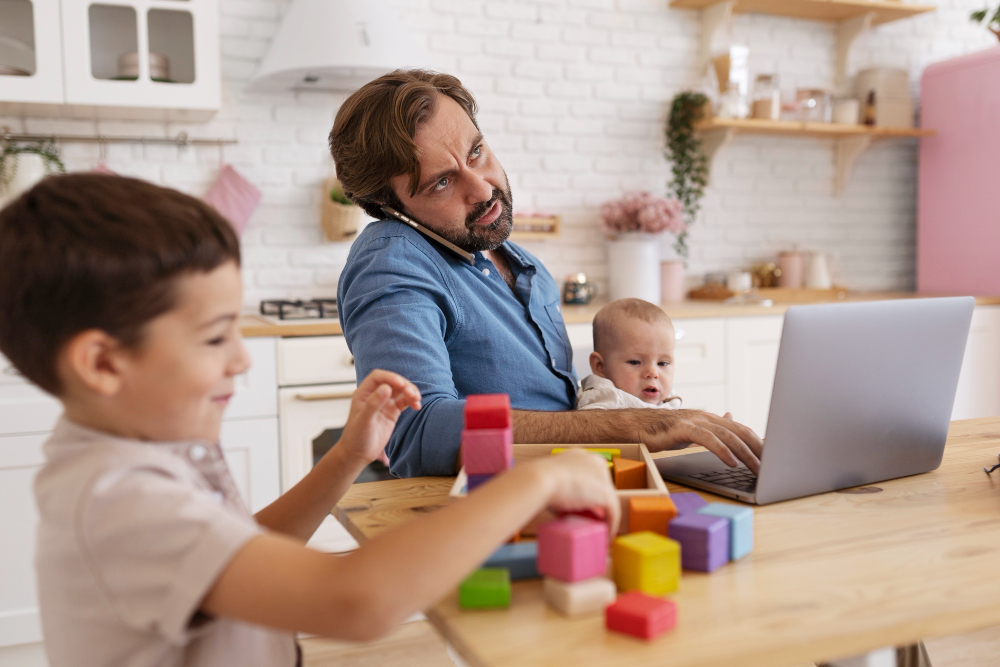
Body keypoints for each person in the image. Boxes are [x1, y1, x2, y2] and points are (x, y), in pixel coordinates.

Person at [0, 174, 620, 667]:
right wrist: (535, 482)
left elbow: (247, 544)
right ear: (103, 365)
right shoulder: (120, 502)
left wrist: (347, 456)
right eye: (216, 338)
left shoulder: (135, 453)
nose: (241, 356)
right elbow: (355, 603)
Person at [330, 69, 763, 478]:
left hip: (571, 486)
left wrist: (656, 418)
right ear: (392, 209)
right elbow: (418, 432)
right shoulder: (391, 259)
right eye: (442, 182)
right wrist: (633, 427)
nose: (482, 188)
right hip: (486, 515)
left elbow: (566, 415)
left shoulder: (518, 260)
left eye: (476, 152)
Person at [577, 299, 683, 411]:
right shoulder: (606, 399)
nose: (653, 373)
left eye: (662, 363)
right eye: (635, 362)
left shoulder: (667, 395)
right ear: (600, 366)